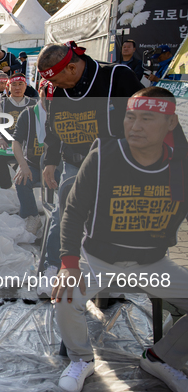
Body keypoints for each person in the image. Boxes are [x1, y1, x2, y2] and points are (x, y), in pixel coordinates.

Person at [52, 86, 188, 392]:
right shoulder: (103, 156)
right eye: (131, 117)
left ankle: (161, 358)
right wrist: (68, 262)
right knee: (63, 295)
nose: (136, 126)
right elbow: (72, 212)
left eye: (148, 118)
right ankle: (81, 360)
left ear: (170, 123)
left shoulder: (180, 165)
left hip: (153, 263)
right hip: (99, 260)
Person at [38, 41, 144, 293]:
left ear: (72, 68)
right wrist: (51, 160)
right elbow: (53, 128)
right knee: (64, 212)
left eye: (59, 81)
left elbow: (147, 116)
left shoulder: (116, 77)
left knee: (111, 218)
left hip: (115, 164)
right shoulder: (58, 89)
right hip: (74, 162)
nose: (55, 87)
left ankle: (111, 274)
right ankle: (54, 265)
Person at [12, 80, 62, 294]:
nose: (49, 98)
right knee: (21, 178)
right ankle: (31, 215)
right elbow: (16, 142)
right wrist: (22, 165)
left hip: (59, 163)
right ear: (40, 91)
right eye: (46, 93)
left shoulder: (63, 111)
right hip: (33, 161)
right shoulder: (28, 114)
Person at [0, 73, 36, 190]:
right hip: (7, 142)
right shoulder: (2, 105)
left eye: (20, 84)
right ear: (8, 87)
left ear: (26, 86)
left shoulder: (33, 105)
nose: (17, 88)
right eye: (14, 85)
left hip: (27, 144)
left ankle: (28, 184)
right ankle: (6, 187)